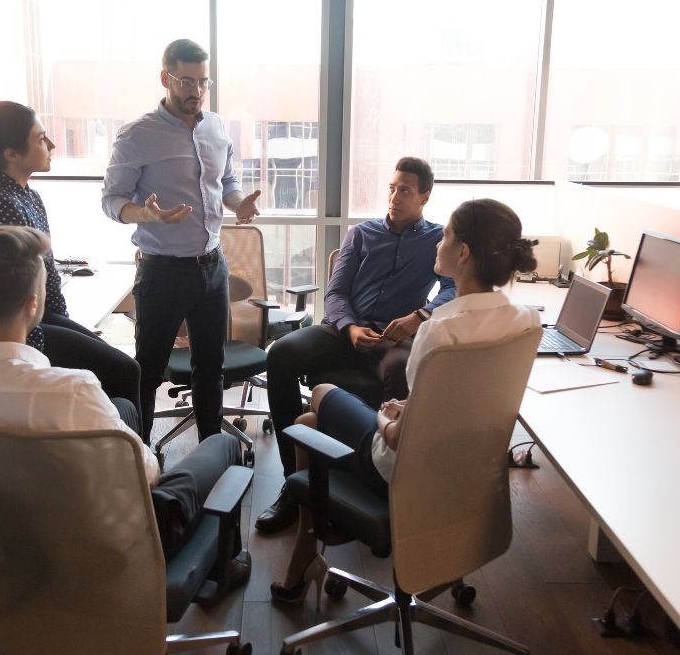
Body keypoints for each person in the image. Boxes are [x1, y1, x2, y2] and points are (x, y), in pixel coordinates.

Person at [0, 225, 248, 571]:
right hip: (125, 544)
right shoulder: (72, 390)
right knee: (222, 447)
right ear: (34, 305)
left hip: (26, 547)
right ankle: (225, 567)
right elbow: (147, 473)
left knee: (123, 407)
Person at [268, 199, 542, 604]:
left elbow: (397, 440)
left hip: (402, 472)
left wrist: (384, 416)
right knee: (307, 405)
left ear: (463, 253)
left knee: (315, 409)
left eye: (447, 236)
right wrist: (409, 407)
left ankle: (306, 555)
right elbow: (459, 398)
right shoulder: (526, 320)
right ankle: (304, 549)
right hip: (469, 471)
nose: (439, 243)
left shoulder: (439, 332)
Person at [255, 156, 456, 533]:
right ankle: (291, 479)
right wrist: (348, 328)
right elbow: (335, 291)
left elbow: (452, 287)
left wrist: (420, 316)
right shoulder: (362, 233)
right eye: (392, 188)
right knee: (280, 354)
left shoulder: (437, 241)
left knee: (401, 369)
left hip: (393, 337)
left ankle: (377, 481)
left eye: (406, 191)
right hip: (343, 331)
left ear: (424, 196)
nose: (395, 197)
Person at [101, 39, 261, 443]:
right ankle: (140, 454)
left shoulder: (216, 127)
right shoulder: (138, 135)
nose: (196, 91)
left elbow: (226, 181)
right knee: (148, 370)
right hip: (162, 271)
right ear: (165, 78)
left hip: (212, 265)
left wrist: (239, 204)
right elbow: (112, 200)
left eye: (203, 82)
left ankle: (213, 448)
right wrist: (144, 214)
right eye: (187, 81)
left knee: (212, 365)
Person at [0, 101, 140, 412]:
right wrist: (42, 359)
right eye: (40, 138)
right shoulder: (2, 204)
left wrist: (66, 325)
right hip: (10, 331)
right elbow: (9, 298)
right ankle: (128, 453)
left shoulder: (26, 195)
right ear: (12, 154)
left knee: (119, 365)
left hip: (35, 315)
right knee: (124, 371)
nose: (51, 145)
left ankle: (119, 439)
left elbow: (44, 276)